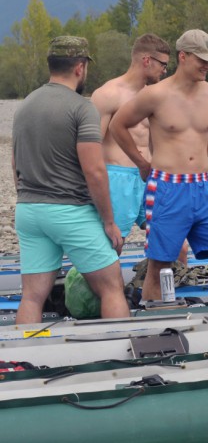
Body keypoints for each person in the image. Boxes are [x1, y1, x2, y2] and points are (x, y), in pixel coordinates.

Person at [109, 29, 208, 301]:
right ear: (183, 56)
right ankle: (157, 322)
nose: (207, 65)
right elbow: (118, 125)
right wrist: (141, 163)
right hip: (167, 188)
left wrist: (202, 154)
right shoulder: (155, 95)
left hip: (203, 188)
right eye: (201, 59)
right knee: (160, 266)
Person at [11, 36, 129, 323]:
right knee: (112, 288)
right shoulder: (81, 107)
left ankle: (23, 362)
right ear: (80, 67)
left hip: (29, 210)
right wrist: (109, 221)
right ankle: (124, 358)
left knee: (32, 296)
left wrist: (28, 198)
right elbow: (95, 170)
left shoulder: (25, 106)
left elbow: (15, 164)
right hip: (69, 211)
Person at [91, 34, 170, 242]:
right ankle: (85, 275)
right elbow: (91, 147)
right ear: (146, 60)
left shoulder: (153, 95)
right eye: (163, 65)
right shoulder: (108, 94)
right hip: (117, 178)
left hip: (149, 177)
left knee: (172, 240)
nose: (165, 70)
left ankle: (161, 275)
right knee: (113, 244)